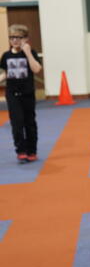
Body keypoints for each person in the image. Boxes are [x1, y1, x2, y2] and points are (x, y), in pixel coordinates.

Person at [0, 24, 43, 163]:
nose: (14, 40)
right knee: (17, 123)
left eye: (18, 37)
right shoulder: (6, 56)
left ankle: (32, 151)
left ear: (25, 39)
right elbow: (6, 74)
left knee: (29, 123)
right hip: (12, 94)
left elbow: (36, 69)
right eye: (12, 37)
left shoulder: (31, 52)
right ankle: (21, 151)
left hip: (28, 93)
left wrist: (28, 52)